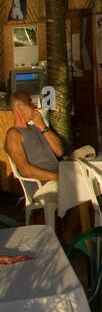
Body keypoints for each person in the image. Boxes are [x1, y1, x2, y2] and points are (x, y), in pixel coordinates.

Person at [5, 92, 63, 222]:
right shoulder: (14, 134)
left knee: (97, 187)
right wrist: (57, 177)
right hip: (42, 186)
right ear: (20, 108)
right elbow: (25, 169)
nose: (35, 106)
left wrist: (42, 126)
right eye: (30, 103)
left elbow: (59, 151)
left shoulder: (37, 128)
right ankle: (69, 233)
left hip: (60, 177)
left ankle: (72, 232)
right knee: (81, 189)